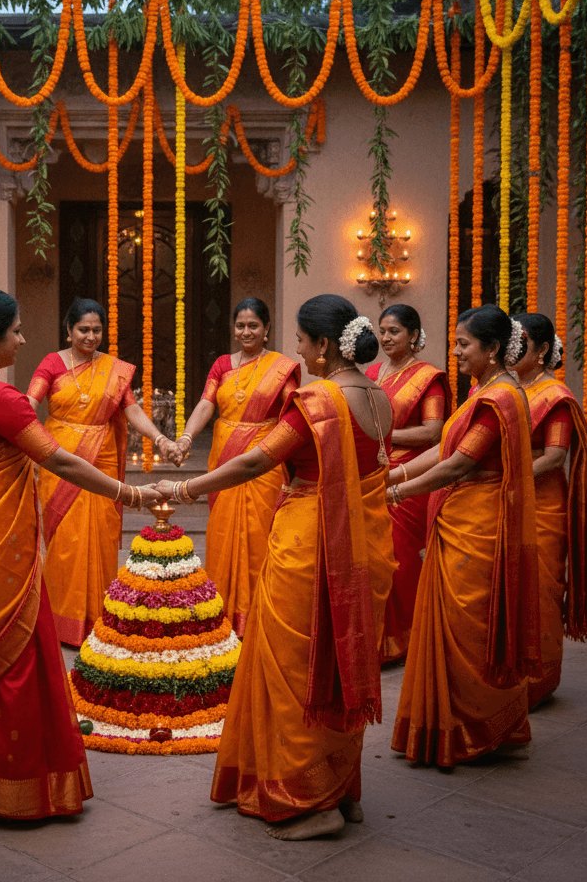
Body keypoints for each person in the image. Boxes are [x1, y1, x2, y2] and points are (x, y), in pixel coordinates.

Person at [0, 288, 161, 820]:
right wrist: (131, 493)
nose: (24, 340)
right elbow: (61, 461)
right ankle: (5, 781)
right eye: (17, 331)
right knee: (10, 656)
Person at [157, 295, 387, 840]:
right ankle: (344, 791)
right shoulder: (379, 396)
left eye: (304, 342)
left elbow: (260, 459)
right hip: (362, 542)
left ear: (326, 346)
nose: (300, 353)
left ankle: (310, 800)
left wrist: (186, 486)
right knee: (339, 661)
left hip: (311, 542)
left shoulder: (319, 400)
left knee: (297, 667)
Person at [389, 304, 540, 768]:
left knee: (468, 628)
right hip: (460, 519)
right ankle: (449, 724)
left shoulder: (501, 399)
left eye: (464, 344)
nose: (454, 352)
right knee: (453, 625)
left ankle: (474, 729)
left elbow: (459, 463)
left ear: (492, 349)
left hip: (478, 526)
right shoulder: (482, 391)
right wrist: (392, 475)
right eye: (455, 343)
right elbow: (442, 447)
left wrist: (398, 490)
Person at [27, 298, 180, 646]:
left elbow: (132, 411)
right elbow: (29, 403)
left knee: (100, 537)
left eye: (97, 330)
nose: (91, 336)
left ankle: (98, 617)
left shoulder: (114, 368)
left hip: (104, 457)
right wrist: (18, 434)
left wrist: (160, 439)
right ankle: (60, 622)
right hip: (61, 458)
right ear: (69, 331)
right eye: (83, 329)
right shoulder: (52, 364)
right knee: (66, 539)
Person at [173, 298, 300, 636]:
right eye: (240, 325)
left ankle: (260, 614)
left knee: (260, 535)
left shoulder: (281, 368)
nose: (246, 331)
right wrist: (186, 437)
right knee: (221, 533)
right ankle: (222, 611)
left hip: (263, 460)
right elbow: (206, 403)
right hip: (224, 456)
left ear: (267, 329)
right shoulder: (222, 365)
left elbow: (292, 412)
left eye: (253, 325)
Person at [510, 313, 587, 708]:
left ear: (542, 350)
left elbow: (554, 456)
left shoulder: (555, 396)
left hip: (541, 503)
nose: (512, 348)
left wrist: (506, 477)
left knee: (540, 589)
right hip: (507, 499)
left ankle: (537, 680)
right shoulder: (507, 388)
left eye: (521, 342)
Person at [365, 304, 451, 664]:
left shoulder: (428, 377)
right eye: (382, 331)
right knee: (371, 558)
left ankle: (403, 640)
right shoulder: (371, 371)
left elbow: (433, 431)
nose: (386, 337)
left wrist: (384, 433)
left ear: (414, 336)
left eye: (394, 331)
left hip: (409, 475)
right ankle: (374, 638)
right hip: (371, 473)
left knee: (400, 558)